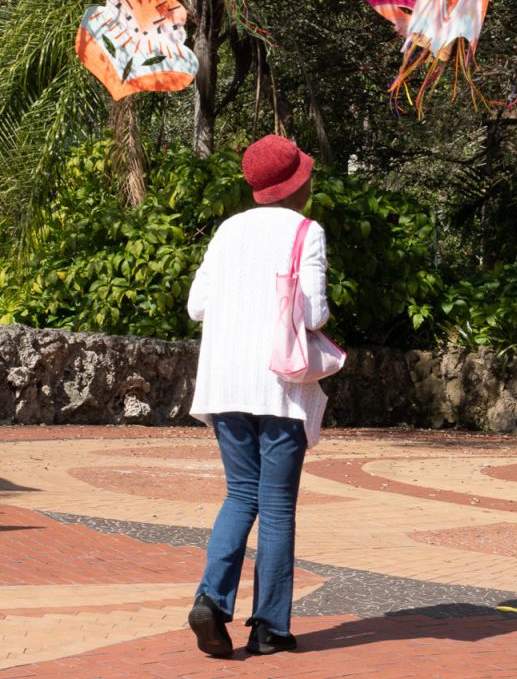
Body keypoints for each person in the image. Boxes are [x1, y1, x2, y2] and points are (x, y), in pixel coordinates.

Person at [184, 134, 329, 658]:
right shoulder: (306, 232)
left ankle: (211, 599)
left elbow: (197, 305)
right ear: (298, 183)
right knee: (275, 505)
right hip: (279, 384)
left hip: (223, 383)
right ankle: (269, 626)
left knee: (239, 495)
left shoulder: (226, 230)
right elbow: (313, 315)